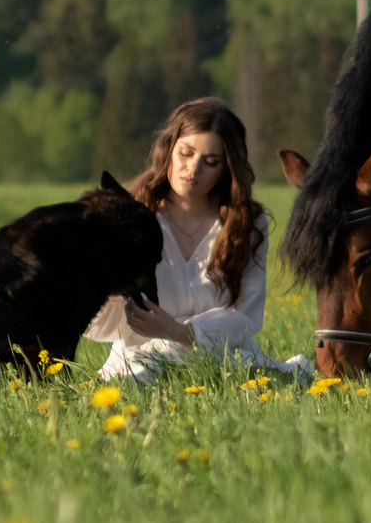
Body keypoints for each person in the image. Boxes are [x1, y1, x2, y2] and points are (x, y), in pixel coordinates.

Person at [86, 98, 310, 381]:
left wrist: (178, 332)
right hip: (141, 358)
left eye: (210, 161)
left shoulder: (247, 224)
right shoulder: (133, 218)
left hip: (226, 358)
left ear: (226, 169)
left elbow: (247, 314)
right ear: (168, 150)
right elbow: (104, 320)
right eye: (186, 153)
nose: (193, 170)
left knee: (285, 382)